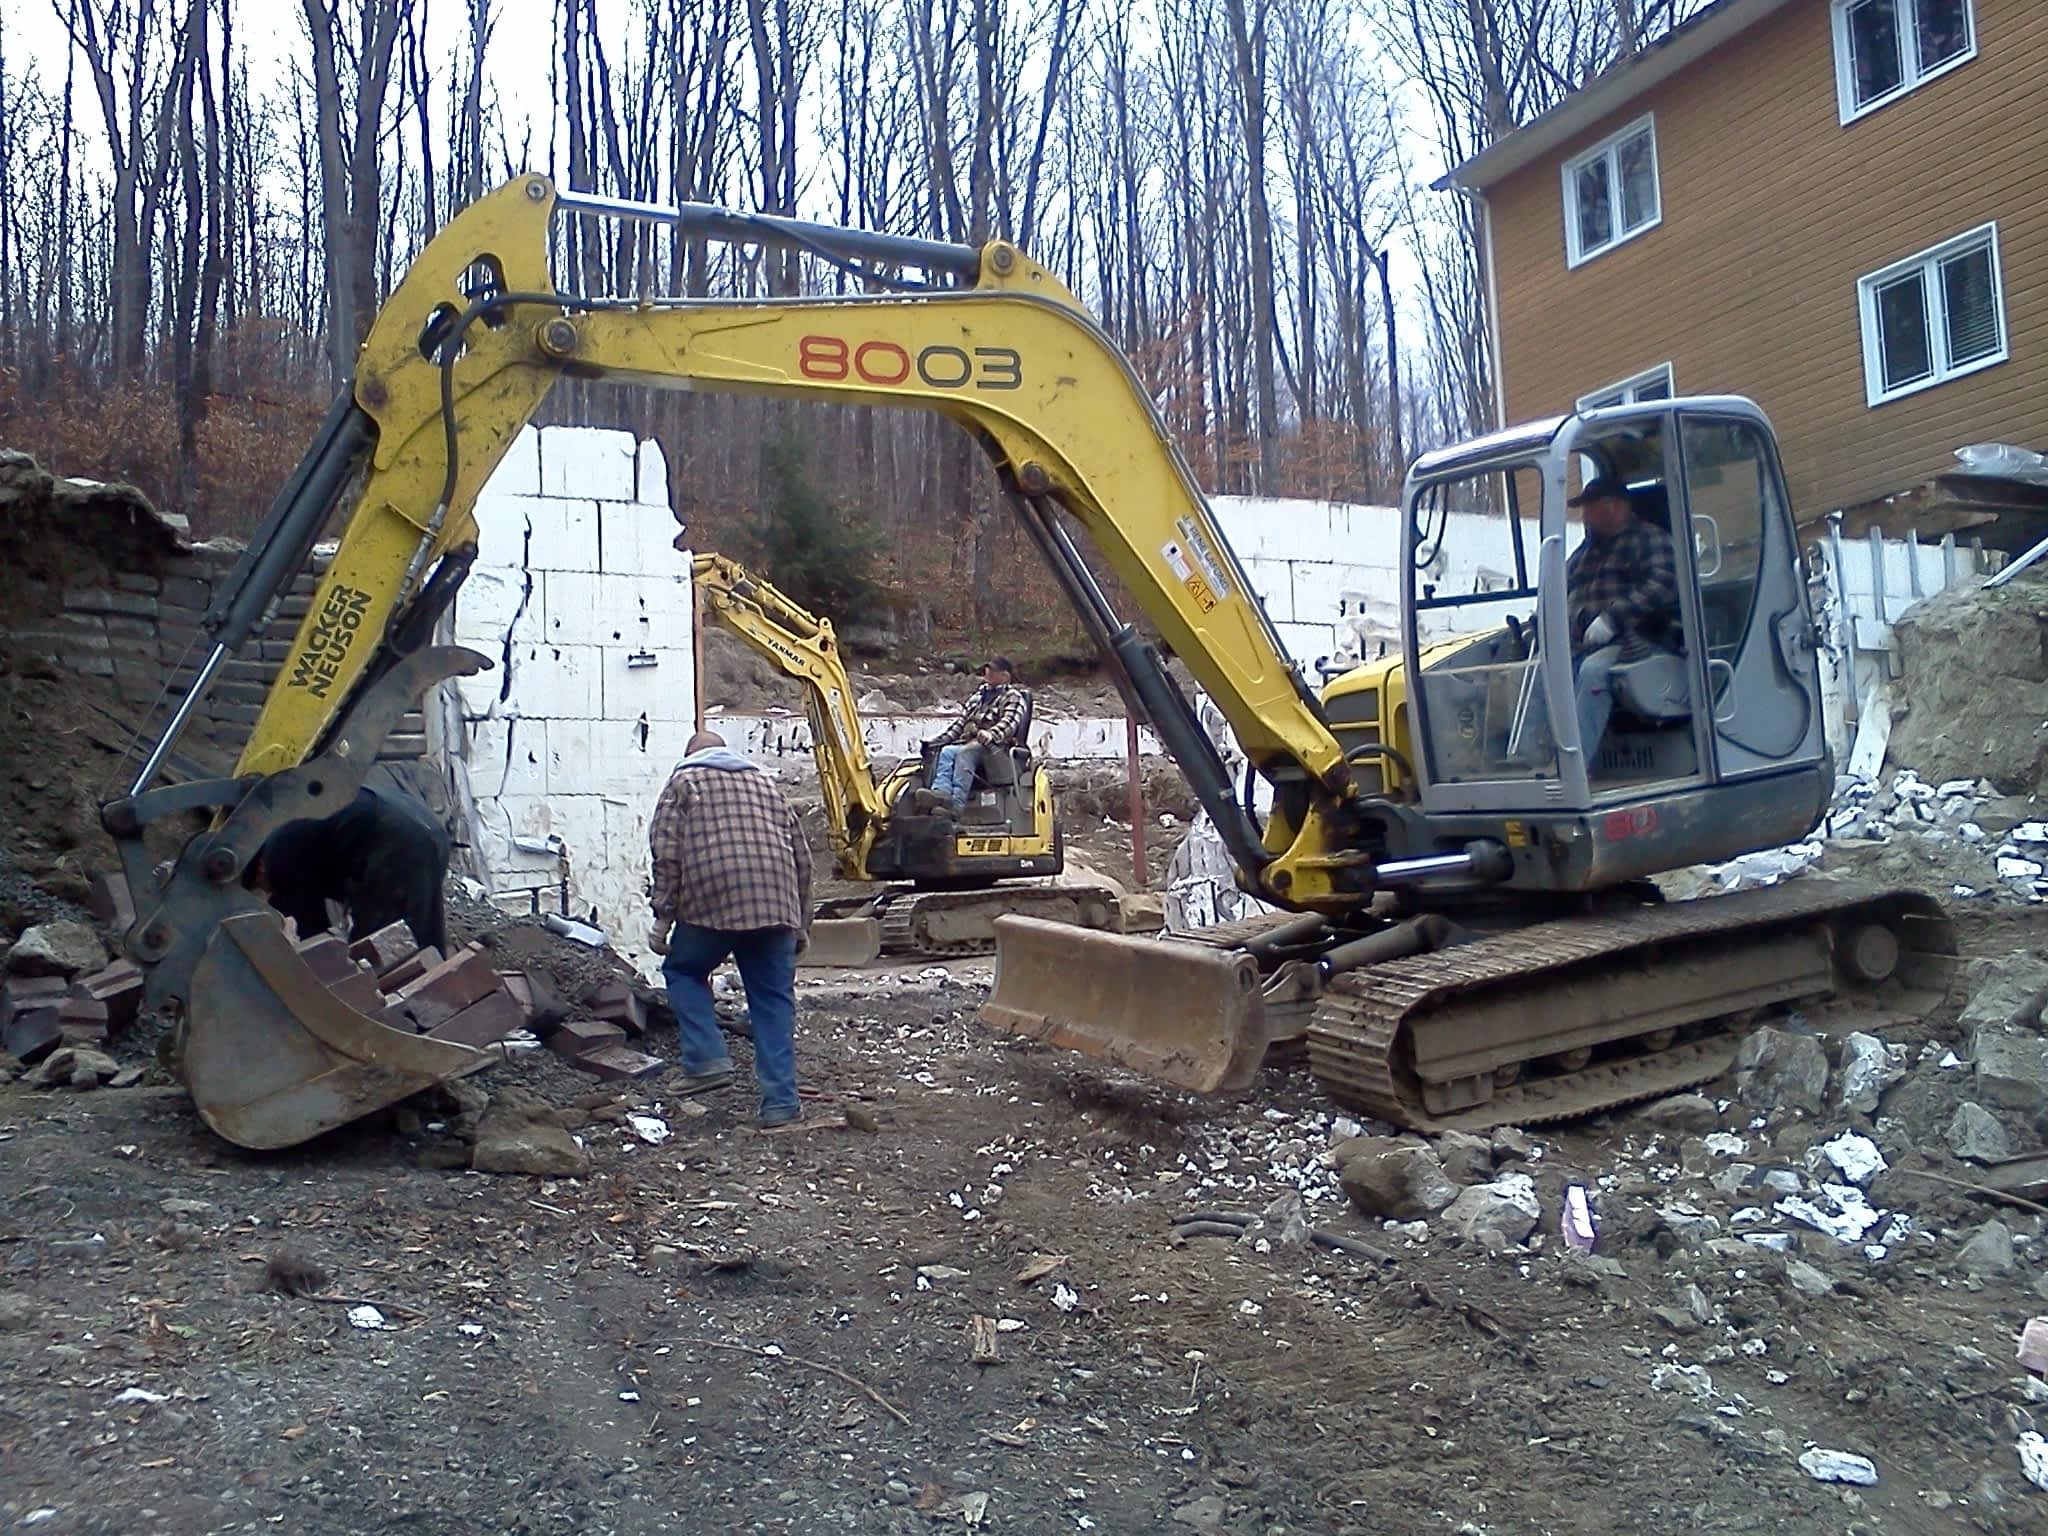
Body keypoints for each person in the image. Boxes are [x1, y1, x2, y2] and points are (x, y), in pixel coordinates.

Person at [646, 730, 812, 1127]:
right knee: (773, 1001)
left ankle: (706, 1059)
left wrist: (662, 916)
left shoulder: (684, 782)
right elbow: (802, 858)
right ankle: (780, 1104)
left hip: (712, 901)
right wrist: (801, 924)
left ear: (690, 755)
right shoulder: (766, 785)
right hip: (776, 903)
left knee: (683, 970)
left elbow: (666, 854)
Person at [249, 782, 451, 953]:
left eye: (262, 886)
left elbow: (312, 926)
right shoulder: (287, 828)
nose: (268, 891)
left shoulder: (277, 856)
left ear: (259, 868)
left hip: (397, 842)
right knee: (418, 933)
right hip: (427, 829)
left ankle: (431, 994)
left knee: (378, 948)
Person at [1563, 475, 1679, 766]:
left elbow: (1661, 584)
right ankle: (1530, 761)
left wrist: (1611, 621)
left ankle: (1573, 768)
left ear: (1612, 507)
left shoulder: (1650, 539)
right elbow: (1562, 588)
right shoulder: (1585, 552)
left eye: (1588, 509)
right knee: (1540, 671)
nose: (1584, 517)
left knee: (1593, 672)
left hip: (1640, 639)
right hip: (1583, 641)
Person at [912, 656, 1030, 815]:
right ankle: (942, 793)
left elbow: (1009, 724)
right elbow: (959, 725)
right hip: (973, 743)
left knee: (965, 752)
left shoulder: (1013, 697)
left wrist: (990, 734)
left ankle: (957, 805)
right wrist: (936, 742)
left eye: (993, 670)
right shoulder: (977, 698)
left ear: (1005, 676)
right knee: (947, 751)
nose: (988, 672)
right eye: (988, 669)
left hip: (997, 750)